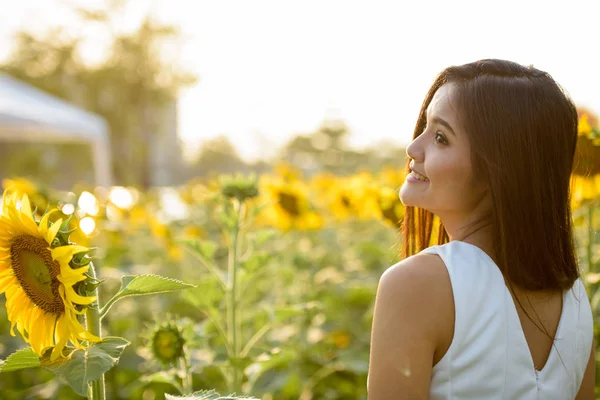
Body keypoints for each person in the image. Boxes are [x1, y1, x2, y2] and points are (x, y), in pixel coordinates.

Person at [367, 59, 595, 399]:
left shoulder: (416, 284)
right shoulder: (576, 297)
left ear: (499, 170)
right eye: (425, 128)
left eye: (441, 137)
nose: (413, 148)